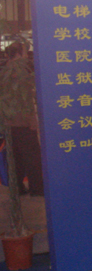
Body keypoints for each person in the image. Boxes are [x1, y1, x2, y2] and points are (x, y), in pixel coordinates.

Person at [2, 41, 44, 196]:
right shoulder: (20, 73)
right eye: (25, 52)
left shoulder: (5, 71)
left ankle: (18, 188)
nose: (27, 56)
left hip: (9, 123)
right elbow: (25, 102)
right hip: (23, 124)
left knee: (15, 158)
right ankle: (37, 188)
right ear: (19, 54)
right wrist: (33, 122)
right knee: (32, 158)